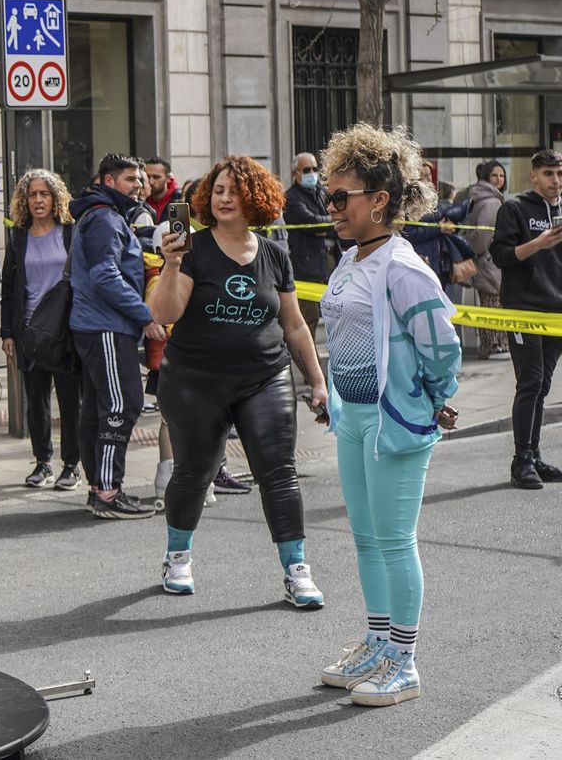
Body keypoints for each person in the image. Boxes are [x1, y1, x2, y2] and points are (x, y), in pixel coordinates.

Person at [315, 123, 460, 706]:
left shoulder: (403, 267)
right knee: (367, 540)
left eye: (339, 196)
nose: (330, 207)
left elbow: (441, 346)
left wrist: (432, 397)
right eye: (329, 196)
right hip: (354, 415)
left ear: (379, 201)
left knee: (396, 541)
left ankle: (404, 659)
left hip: (392, 420)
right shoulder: (352, 259)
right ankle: (379, 640)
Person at [150, 156, 329, 605]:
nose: (225, 198)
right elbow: (163, 314)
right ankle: (178, 555)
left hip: (264, 378)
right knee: (195, 471)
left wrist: (318, 381)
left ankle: (297, 569)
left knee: (279, 473)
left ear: (256, 199)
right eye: (218, 190)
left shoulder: (275, 255)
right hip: (195, 381)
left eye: (234, 190)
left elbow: (294, 326)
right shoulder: (192, 249)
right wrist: (171, 265)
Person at [68, 153, 164, 520]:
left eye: (140, 181)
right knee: (123, 404)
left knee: (98, 408)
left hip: (100, 325)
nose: (138, 186)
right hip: (106, 326)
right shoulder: (106, 219)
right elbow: (105, 276)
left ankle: (100, 488)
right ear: (108, 182)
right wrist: (145, 316)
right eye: (130, 180)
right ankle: (108, 492)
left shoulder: (104, 216)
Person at [1, 169, 83, 491]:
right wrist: (8, 333)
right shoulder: (18, 237)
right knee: (36, 402)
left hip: (64, 332)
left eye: (44, 194)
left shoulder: (70, 233)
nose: (38, 200)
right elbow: (8, 288)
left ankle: (72, 465)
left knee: (69, 400)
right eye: (32, 195)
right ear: (24, 200)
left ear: (55, 198)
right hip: (30, 332)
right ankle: (42, 462)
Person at [491, 148, 562, 490]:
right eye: (549, 174)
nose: (555, 181)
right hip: (524, 308)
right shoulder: (515, 208)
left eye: (560, 174)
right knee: (530, 381)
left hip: (556, 311)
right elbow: (501, 257)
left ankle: (533, 455)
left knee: (543, 384)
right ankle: (521, 460)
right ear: (533, 175)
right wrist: (537, 244)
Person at [283, 153, 341, 348]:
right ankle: (310, 370)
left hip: (330, 264)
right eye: (307, 170)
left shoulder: (323, 193)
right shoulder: (291, 198)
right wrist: (327, 225)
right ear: (295, 173)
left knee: (336, 316)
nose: (312, 173)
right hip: (306, 268)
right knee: (308, 320)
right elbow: (312, 222)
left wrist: (328, 227)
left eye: (315, 169)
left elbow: (338, 220)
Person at [464, 160, 508, 359]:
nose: (499, 179)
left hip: (485, 262)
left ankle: (489, 346)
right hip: (490, 263)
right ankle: (495, 346)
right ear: (486, 178)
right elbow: (483, 237)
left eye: (502, 175)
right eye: (494, 176)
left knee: (489, 303)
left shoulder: (480, 197)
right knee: (494, 304)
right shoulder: (492, 202)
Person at [143, 157, 178, 221]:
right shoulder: (139, 198)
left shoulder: (180, 198)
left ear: (168, 178)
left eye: (156, 177)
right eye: (147, 177)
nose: (151, 182)